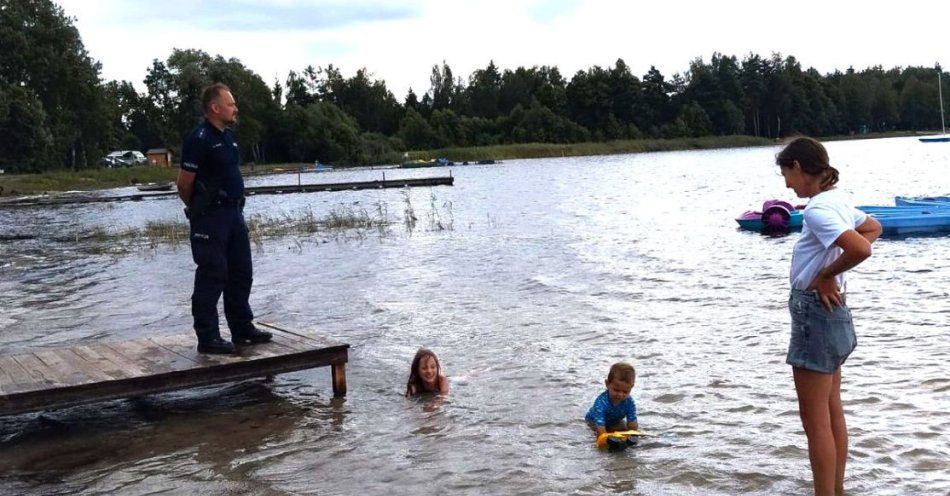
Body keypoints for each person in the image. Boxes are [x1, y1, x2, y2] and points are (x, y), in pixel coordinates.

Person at [776, 137, 881, 496]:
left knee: (815, 421)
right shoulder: (839, 199)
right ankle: (835, 491)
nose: (786, 183)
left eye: (786, 173)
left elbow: (862, 245)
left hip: (815, 314)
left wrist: (825, 275)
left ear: (799, 168)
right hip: (835, 314)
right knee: (832, 412)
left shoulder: (818, 210)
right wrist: (833, 270)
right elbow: (873, 228)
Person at [177, 83, 272, 354]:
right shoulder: (199, 138)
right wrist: (201, 211)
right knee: (212, 275)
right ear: (215, 108)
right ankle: (208, 337)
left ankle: (242, 328)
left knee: (241, 273)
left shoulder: (229, 137)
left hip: (234, 214)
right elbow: (184, 183)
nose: (235, 108)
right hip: (211, 217)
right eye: (230, 104)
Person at [586, 362, 639, 450]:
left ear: (631, 387)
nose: (620, 395)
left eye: (625, 392)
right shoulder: (601, 402)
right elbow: (600, 428)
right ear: (607, 384)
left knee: (622, 428)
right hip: (593, 421)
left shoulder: (629, 401)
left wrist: (633, 435)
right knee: (598, 433)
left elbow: (632, 423)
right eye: (616, 390)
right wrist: (604, 439)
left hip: (615, 420)